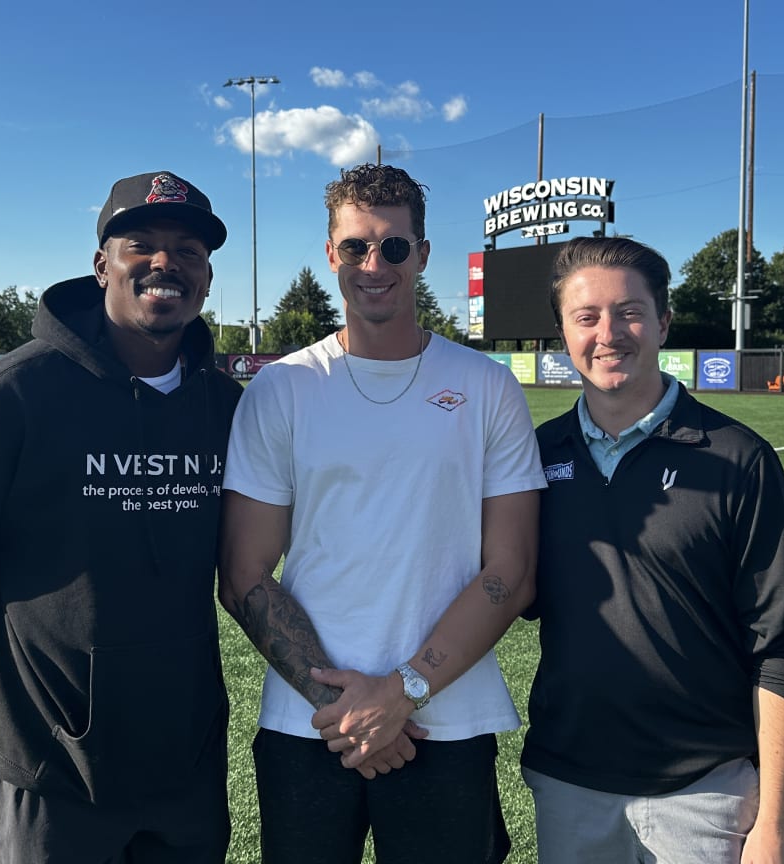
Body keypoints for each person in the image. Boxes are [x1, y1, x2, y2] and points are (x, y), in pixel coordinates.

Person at [0, 170, 240, 863]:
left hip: (186, 762)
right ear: (101, 263)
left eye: (189, 250)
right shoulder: (7, 395)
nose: (166, 263)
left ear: (205, 275)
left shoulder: (228, 409)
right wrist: (19, 704)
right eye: (140, 243)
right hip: (50, 772)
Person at [218, 162, 545, 864]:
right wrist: (349, 711)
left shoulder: (487, 389)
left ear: (422, 255)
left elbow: (511, 572)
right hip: (310, 727)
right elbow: (243, 572)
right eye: (357, 246)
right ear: (331, 253)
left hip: (445, 723)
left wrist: (403, 692)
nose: (376, 264)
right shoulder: (281, 389)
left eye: (395, 246)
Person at [521, 235, 784, 864]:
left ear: (663, 322)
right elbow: (499, 587)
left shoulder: (740, 459)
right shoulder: (533, 457)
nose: (608, 333)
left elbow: (780, 645)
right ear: (562, 332)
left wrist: (778, 824)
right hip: (568, 781)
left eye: (629, 312)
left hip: (706, 791)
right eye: (586, 316)